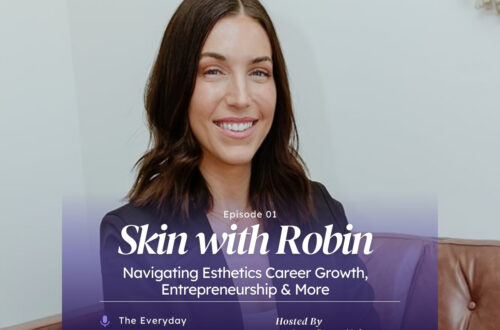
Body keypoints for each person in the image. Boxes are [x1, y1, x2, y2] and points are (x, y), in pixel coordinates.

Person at [100, 0, 380, 329]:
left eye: (258, 72)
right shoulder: (132, 239)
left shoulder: (320, 211)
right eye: (213, 71)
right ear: (178, 86)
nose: (241, 97)